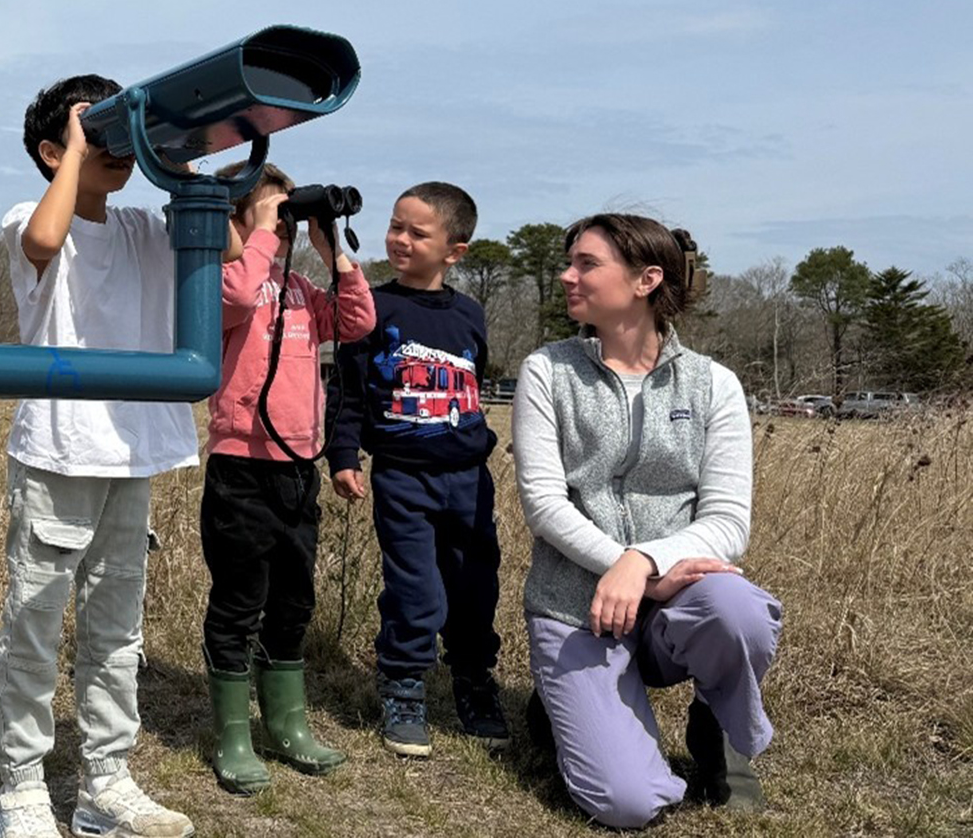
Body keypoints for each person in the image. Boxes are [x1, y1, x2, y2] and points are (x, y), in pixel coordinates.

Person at [0, 74, 229, 838]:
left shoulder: (140, 228)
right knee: (34, 624)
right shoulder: (29, 214)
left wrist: (176, 150)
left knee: (116, 630)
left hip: (131, 454)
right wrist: (81, 147)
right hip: (59, 452)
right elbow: (45, 241)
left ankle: (106, 781)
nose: (111, 151)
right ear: (51, 150)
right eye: (92, 136)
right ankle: (21, 788)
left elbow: (216, 241)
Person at [512, 214, 781, 829]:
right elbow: (544, 504)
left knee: (737, 610)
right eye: (568, 263)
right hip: (575, 605)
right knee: (630, 804)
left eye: (585, 263)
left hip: (676, 599)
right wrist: (619, 565)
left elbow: (727, 520)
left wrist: (645, 564)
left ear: (645, 280)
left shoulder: (714, 385)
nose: (566, 275)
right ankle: (560, 708)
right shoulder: (547, 372)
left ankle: (720, 737)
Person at [201, 162, 376, 794]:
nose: (285, 224)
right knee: (239, 600)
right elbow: (239, 298)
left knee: (293, 599)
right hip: (242, 466)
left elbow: (356, 324)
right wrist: (265, 235)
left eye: (289, 214)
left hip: (298, 467)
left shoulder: (302, 287)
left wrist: (336, 253)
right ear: (237, 218)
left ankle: (287, 723)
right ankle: (233, 734)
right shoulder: (223, 278)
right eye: (273, 211)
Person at [329, 181, 507, 757]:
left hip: (469, 480)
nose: (399, 239)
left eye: (417, 232)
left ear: (455, 251)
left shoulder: (469, 314)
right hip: (402, 477)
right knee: (415, 589)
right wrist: (344, 456)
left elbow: (474, 381)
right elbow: (349, 392)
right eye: (395, 226)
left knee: (476, 587)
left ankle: (474, 680)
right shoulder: (372, 306)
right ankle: (404, 685)